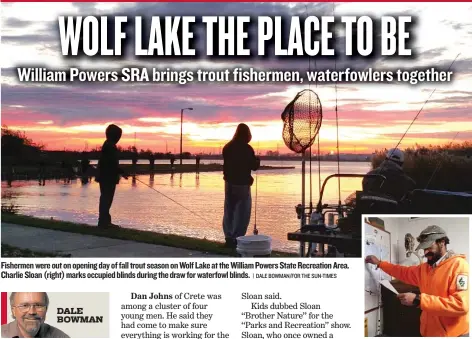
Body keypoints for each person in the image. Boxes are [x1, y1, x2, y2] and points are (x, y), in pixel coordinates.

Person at [365, 225, 469, 337]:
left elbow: (461, 305)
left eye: (429, 247)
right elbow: (401, 271)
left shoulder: (458, 265)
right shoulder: (425, 268)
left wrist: (418, 300)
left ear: (442, 243)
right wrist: (380, 263)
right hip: (429, 333)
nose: (425, 252)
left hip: (453, 334)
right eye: (424, 249)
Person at [222, 123, 260, 248]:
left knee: (229, 211)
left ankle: (229, 237)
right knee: (243, 213)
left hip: (229, 183)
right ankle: (237, 238)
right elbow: (253, 166)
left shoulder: (227, 147)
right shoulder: (247, 148)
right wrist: (257, 160)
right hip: (242, 185)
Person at [95, 124, 128, 228]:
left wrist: (120, 171)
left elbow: (111, 163)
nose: (119, 138)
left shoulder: (108, 144)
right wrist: (122, 171)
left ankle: (105, 221)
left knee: (106, 198)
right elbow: (111, 163)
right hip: (107, 177)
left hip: (105, 176)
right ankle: (104, 222)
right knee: (106, 199)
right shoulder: (110, 146)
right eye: (118, 135)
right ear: (114, 135)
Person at [1, 292, 69, 338]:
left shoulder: (60, 336)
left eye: (38, 305)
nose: (32, 312)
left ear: (46, 309)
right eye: (25, 305)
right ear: (13, 311)